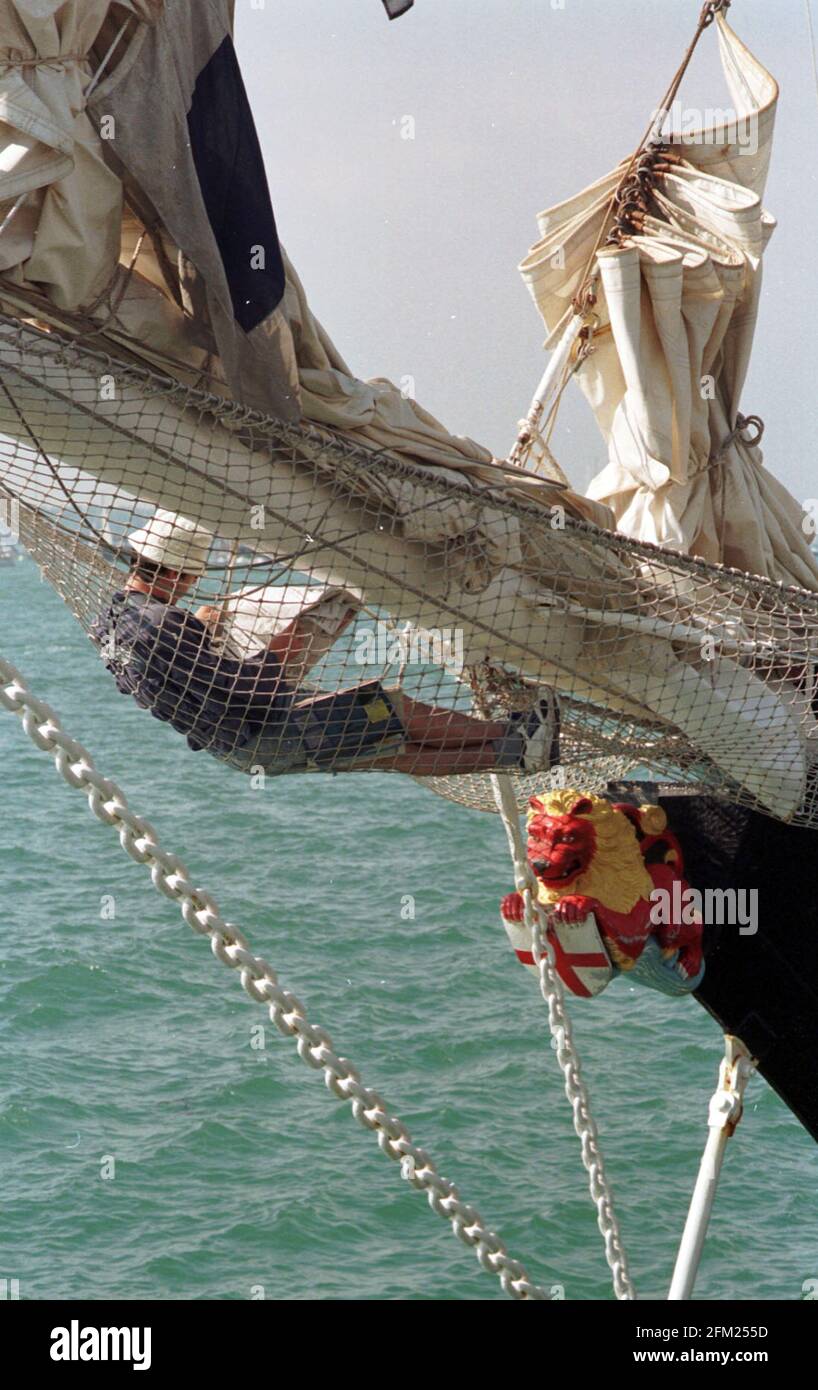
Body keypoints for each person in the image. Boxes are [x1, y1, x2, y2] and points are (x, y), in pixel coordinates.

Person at [92, 510, 560, 777]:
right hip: (267, 730)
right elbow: (245, 688)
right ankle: (513, 736)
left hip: (236, 750)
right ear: (175, 573)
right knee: (391, 709)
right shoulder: (165, 624)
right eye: (192, 576)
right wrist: (287, 642)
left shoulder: (110, 621)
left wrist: (200, 627)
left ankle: (517, 753)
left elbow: (170, 668)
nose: (194, 585)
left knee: (386, 751)